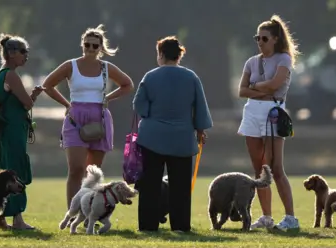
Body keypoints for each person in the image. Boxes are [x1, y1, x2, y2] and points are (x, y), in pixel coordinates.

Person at [39, 25, 134, 210]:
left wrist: (108, 98)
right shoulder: (71, 65)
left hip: (99, 118)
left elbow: (127, 85)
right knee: (76, 169)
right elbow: (47, 85)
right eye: (87, 45)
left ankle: (89, 212)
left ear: (101, 48)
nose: (90, 49)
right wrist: (66, 104)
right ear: (82, 45)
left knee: (92, 173)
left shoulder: (106, 68)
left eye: (95, 46)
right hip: (75, 117)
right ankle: (72, 212)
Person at [133, 36, 213, 232]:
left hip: (152, 137)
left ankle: (148, 225)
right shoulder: (191, 77)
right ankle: (180, 225)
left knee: (150, 185)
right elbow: (200, 107)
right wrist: (200, 129)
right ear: (179, 56)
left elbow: (139, 106)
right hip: (182, 138)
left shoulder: (150, 76)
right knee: (180, 187)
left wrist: (152, 115)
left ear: (161, 54)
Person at [237, 15, 301, 231]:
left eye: (264, 38)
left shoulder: (283, 59)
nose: (260, 42)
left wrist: (255, 86)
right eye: (258, 38)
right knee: (259, 170)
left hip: (273, 112)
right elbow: (241, 91)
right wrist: (260, 89)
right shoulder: (251, 62)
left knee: (275, 167)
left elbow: (275, 85)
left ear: (275, 39)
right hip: (252, 112)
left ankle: (291, 218)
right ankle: (266, 216)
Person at [0, 33, 42, 230]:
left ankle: (1, 218)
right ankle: (18, 219)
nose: (26, 56)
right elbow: (27, 103)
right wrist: (34, 95)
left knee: (4, 171)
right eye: (23, 52)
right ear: (11, 53)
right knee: (16, 171)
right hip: (14, 129)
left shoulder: (0, 74)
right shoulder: (12, 75)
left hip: (6, 129)